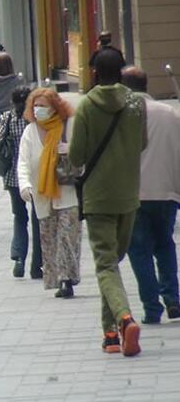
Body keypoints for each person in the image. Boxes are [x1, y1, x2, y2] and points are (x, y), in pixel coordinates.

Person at [69, 49, 147, 356]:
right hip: (129, 194)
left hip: (98, 196)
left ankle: (124, 319)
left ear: (95, 73)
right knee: (111, 264)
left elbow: (76, 155)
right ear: (123, 70)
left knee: (104, 264)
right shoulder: (135, 102)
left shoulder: (87, 105)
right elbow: (142, 144)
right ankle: (111, 335)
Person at [122, 67, 180, 324]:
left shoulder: (122, 115)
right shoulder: (170, 114)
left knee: (139, 249)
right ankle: (173, 298)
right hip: (167, 190)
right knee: (165, 243)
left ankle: (151, 306)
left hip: (134, 193)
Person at [17, 87, 81, 298]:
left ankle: (66, 279)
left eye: (42, 106)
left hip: (67, 194)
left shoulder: (68, 126)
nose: (37, 110)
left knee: (66, 237)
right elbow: (23, 163)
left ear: (55, 107)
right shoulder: (30, 132)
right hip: (42, 196)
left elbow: (83, 157)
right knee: (50, 239)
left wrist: (69, 151)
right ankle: (59, 277)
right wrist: (25, 185)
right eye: (35, 106)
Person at [0, 87, 43, 279]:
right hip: (36, 175)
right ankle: (37, 264)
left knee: (19, 217)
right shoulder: (35, 119)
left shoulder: (8, 118)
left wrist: (7, 152)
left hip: (13, 176)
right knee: (38, 218)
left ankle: (19, 258)